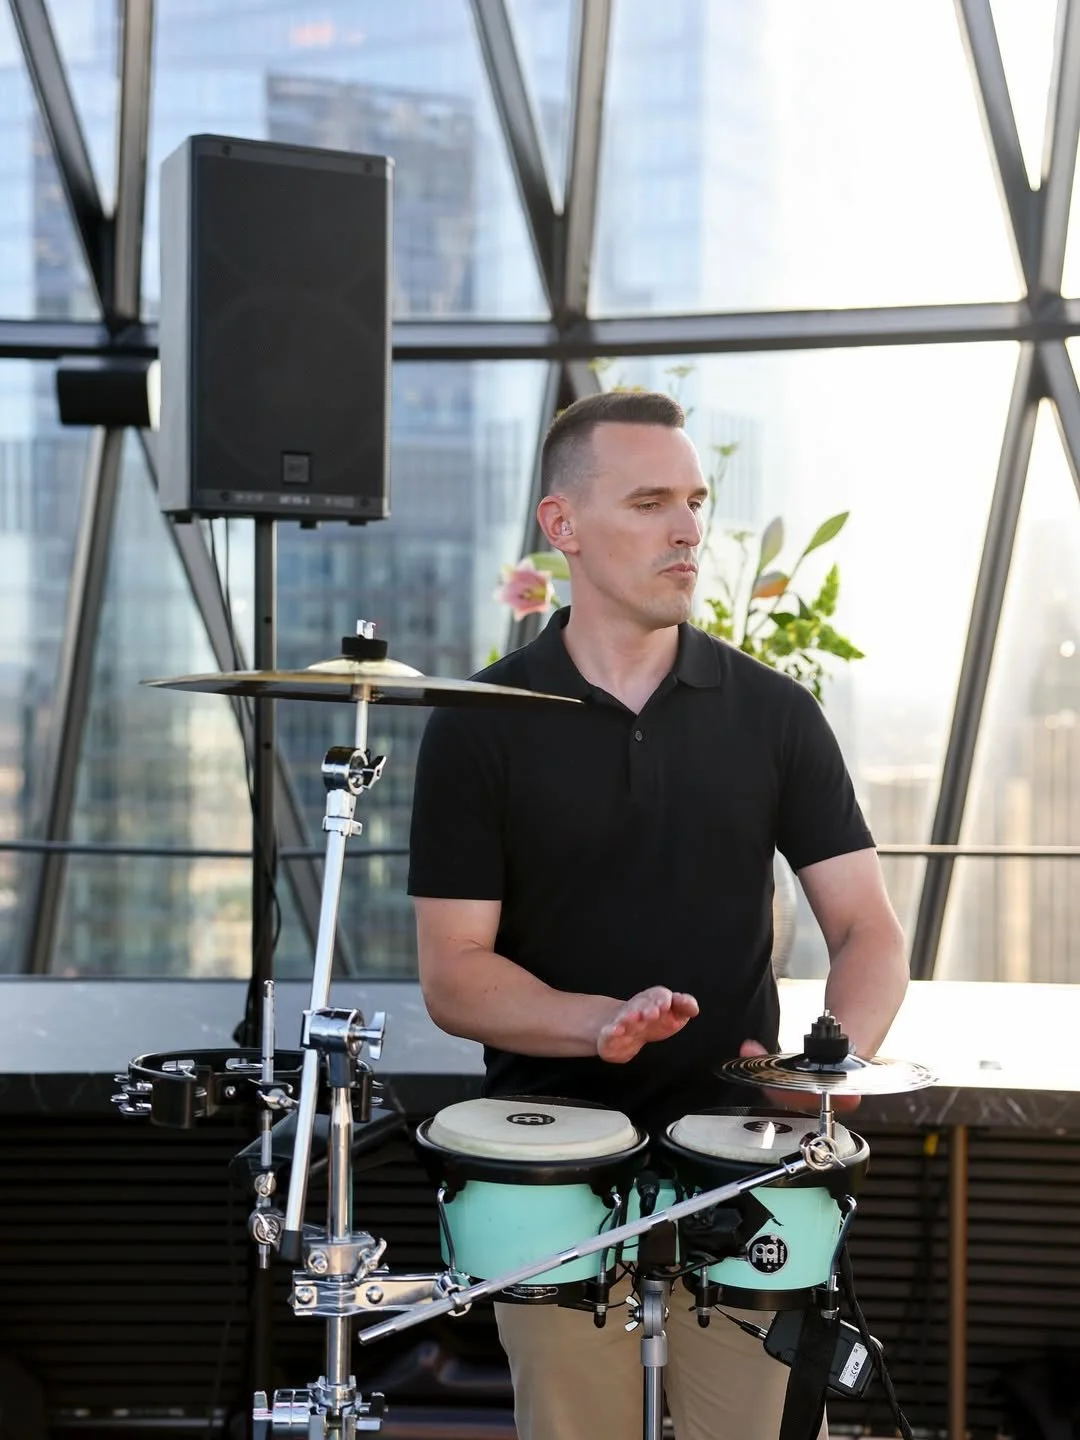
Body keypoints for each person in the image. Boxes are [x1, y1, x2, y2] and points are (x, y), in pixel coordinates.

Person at [407, 389, 909, 1440]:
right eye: (648, 502)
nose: (687, 529)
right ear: (563, 527)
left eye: (694, 499)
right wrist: (596, 1022)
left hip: (750, 1156)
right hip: (550, 1166)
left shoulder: (775, 713)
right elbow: (455, 972)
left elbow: (867, 927)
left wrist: (834, 1068)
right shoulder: (480, 725)